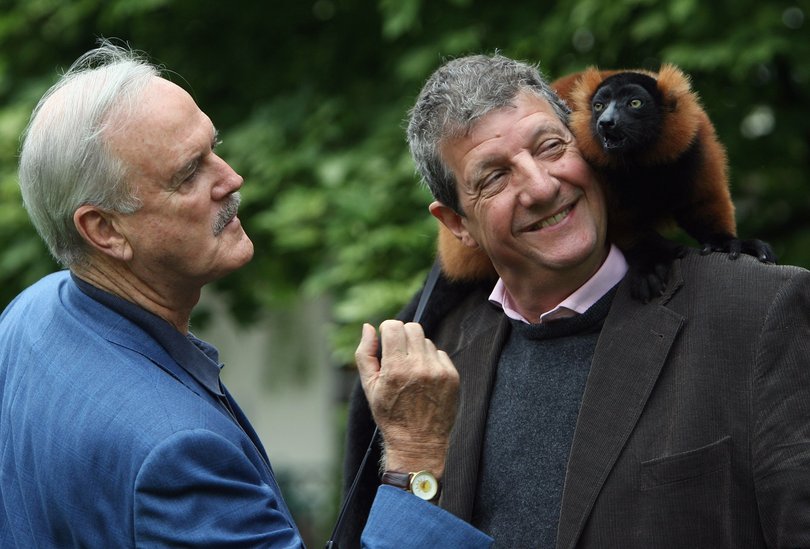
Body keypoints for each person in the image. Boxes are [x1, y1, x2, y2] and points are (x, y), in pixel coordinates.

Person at [0, 41, 493, 548]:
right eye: (190, 172)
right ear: (104, 230)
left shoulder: (30, 315)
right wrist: (415, 460)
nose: (232, 178)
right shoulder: (177, 455)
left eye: (213, 147)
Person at [342, 53, 810, 548]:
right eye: (495, 177)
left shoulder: (759, 311)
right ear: (457, 224)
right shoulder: (424, 366)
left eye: (550, 147)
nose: (541, 187)